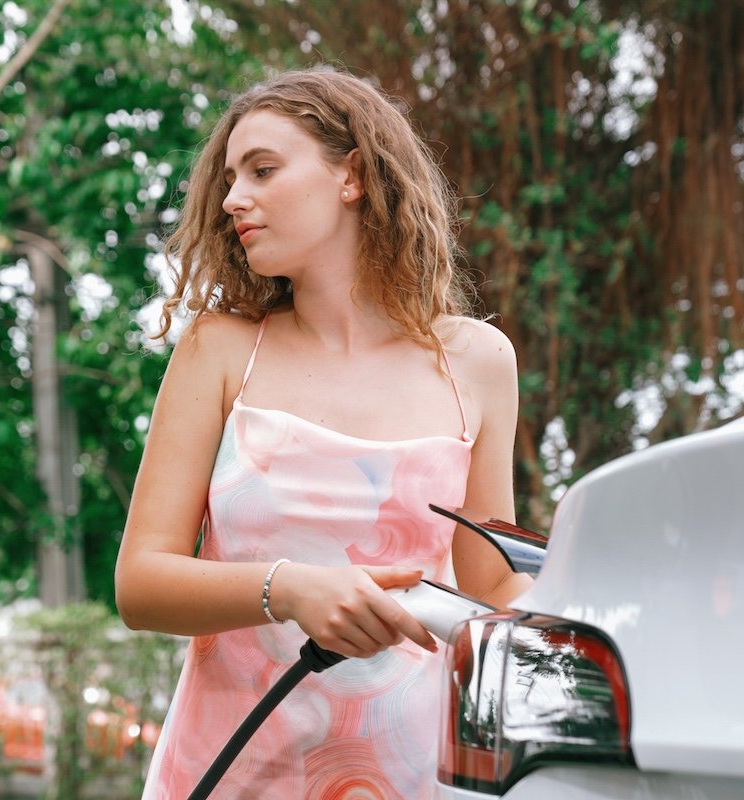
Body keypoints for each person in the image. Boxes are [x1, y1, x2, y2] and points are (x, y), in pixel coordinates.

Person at [115, 66, 531, 799]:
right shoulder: (221, 352)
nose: (234, 198)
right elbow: (140, 583)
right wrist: (290, 587)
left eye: (263, 170)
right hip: (234, 766)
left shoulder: (477, 362)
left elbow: (492, 584)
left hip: (412, 774)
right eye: (231, 179)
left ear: (353, 177)